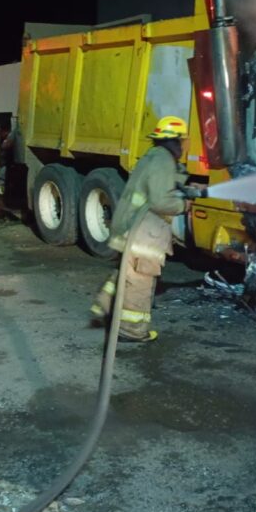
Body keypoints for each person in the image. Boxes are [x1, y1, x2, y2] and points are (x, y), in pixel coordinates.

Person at [89, 116, 195, 342]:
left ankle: (105, 306)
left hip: (131, 226)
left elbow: (159, 185)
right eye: (182, 141)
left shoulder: (154, 156)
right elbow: (160, 201)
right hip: (143, 232)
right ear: (175, 140)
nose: (184, 145)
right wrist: (183, 205)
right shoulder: (163, 160)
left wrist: (184, 183)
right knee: (140, 279)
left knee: (126, 272)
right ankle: (132, 329)